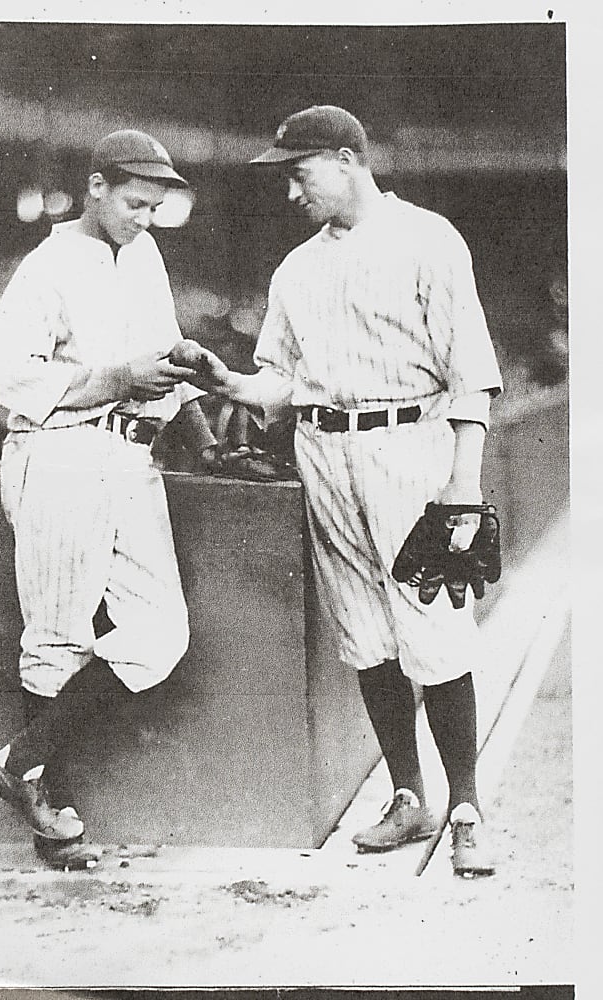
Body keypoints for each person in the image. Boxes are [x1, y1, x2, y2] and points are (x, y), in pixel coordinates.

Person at [191, 106, 503, 877]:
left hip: (410, 444)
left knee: (434, 628)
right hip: (324, 448)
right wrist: (231, 381)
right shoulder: (296, 268)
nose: (291, 190)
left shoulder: (428, 238)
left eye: (299, 173)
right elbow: (283, 380)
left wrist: (463, 483)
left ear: (345, 158)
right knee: (366, 635)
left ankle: (464, 803)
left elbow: (471, 375)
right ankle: (407, 795)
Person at [0, 129, 218, 870]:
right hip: (61, 454)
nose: (146, 218)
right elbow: (12, 381)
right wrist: (116, 380)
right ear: (97, 186)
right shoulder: (44, 267)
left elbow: (165, 351)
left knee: (159, 631)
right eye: (136, 202)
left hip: (132, 453)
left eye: (155, 206)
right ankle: (56, 822)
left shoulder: (144, 254)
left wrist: (203, 434)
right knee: (56, 639)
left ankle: (19, 762)